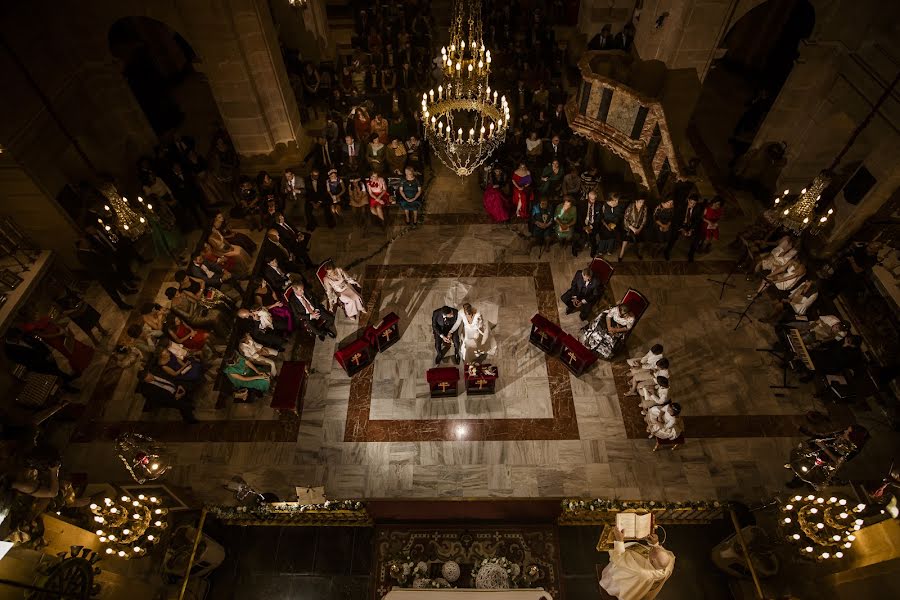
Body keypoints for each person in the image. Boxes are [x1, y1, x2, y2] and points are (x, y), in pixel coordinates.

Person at [599, 527, 675, 600]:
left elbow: (617, 559)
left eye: (652, 551)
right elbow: (661, 553)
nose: (652, 549)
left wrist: (619, 541)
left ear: (652, 561)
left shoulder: (638, 571)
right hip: (643, 586)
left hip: (627, 584)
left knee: (617, 568)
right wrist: (655, 544)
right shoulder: (669, 561)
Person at [786, 424, 869, 488]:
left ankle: (797, 482)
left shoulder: (852, 449)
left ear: (853, 437)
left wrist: (824, 447)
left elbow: (839, 462)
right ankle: (794, 468)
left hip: (825, 462)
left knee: (809, 472)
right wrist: (805, 431)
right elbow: (824, 436)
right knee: (802, 460)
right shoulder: (841, 433)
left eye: (848, 431)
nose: (845, 431)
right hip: (816, 451)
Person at [4, 327, 79, 392]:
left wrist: (48, 353)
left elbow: (38, 343)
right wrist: (40, 360)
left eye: (20, 336)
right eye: (18, 338)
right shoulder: (8, 350)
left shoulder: (23, 335)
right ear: (12, 338)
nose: (20, 338)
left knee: (57, 369)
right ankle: (67, 386)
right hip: (37, 364)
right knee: (55, 374)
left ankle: (67, 379)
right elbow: (23, 360)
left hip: (46, 356)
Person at [20, 315, 94, 377]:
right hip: (54, 340)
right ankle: (79, 364)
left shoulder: (41, 316)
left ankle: (84, 355)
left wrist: (61, 330)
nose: (32, 311)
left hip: (58, 332)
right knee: (67, 351)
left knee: (72, 343)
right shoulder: (30, 326)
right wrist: (58, 334)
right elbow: (43, 336)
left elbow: (54, 323)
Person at [619, 197, 648, 261]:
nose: (642, 204)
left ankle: (639, 253)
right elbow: (625, 219)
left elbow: (644, 220)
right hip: (629, 226)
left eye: (643, 202)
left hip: (639, 227)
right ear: (636, 201)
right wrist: (633, 229)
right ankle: (621, 253)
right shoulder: (630, 207)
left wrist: (639, 229)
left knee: (641, 241)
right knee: (625, 239)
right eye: (640, 202)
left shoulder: (645, 208)